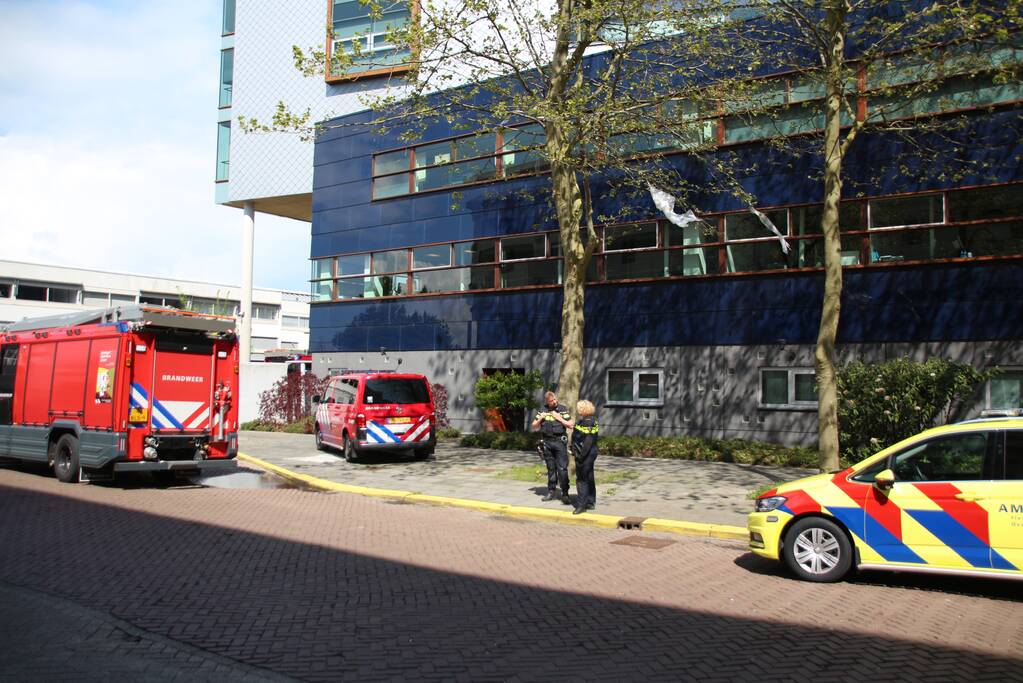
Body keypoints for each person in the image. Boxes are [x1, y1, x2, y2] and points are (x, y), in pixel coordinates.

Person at [531, 390, 573, 503]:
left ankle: (565, 493)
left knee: (562, 469)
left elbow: (570, 424)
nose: (554, 402)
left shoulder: (562, 409)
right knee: (551, 469)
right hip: (547, 443)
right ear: (547, 402)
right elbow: (534, 425)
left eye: (555, 399)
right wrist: (541, 418)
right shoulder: (543, 410)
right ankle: (551, 492)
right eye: (551, 401)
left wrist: (558, 417)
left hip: (559, 442)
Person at [571, 400, 599, 514]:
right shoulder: (591, 421)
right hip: (590, 453)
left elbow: (588, 441)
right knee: (589, 477)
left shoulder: (587, 422)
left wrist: (581, 456)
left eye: (579, 408)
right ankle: (590, 501)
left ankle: (581, 505)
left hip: (585, 454)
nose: (577, 410)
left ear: (583, 409)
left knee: (582, 479)